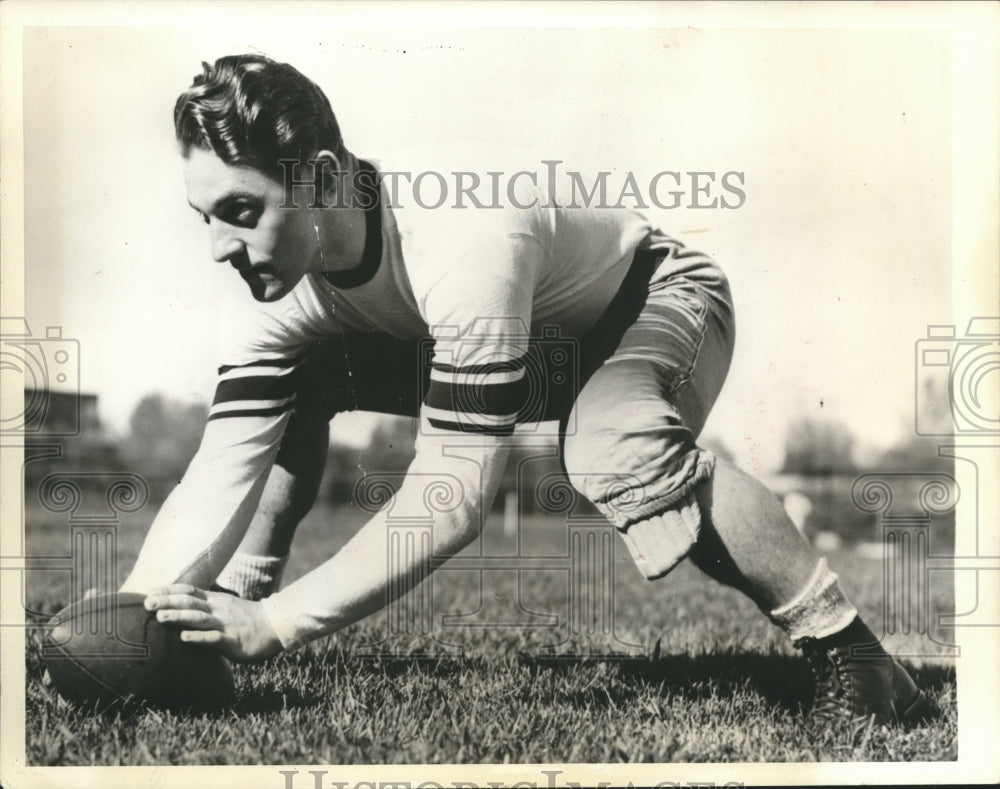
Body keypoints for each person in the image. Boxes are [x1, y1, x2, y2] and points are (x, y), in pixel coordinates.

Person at [121, 53, 931, 730]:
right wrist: (138, 614)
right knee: (297, 382)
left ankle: (855, 654)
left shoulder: (461, 235)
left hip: (649, 300)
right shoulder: (274, 285)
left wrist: (277, 626)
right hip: (527, 343)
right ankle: (216, 614)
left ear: (324, 179)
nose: (221, 244)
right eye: (207, 217)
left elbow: (449, 500)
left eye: (241, 209)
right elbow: (219, 465)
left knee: (611, 445)